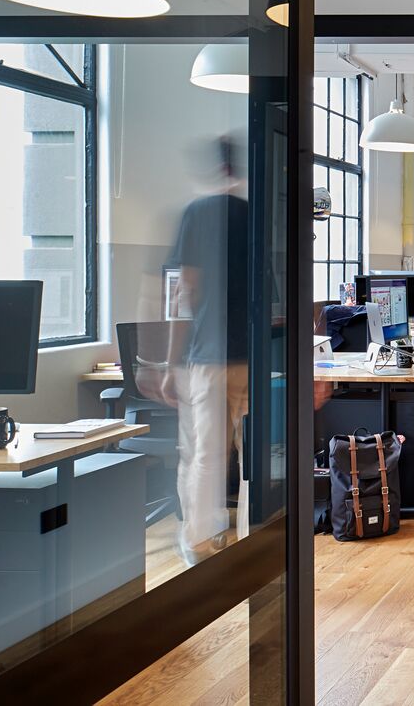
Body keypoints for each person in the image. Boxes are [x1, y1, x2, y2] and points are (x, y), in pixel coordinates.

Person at [160, 135, 250, 567]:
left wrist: (170, 361)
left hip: (208, 358)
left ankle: (197, 540)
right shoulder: (253, 215)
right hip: (250, 357)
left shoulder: (196, 214)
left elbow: (184, 293)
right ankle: (237, 532)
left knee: (201, 453)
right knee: (239, 451)